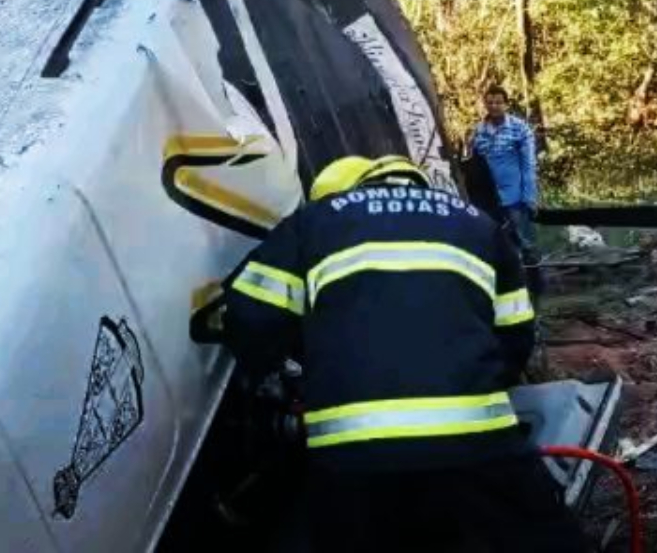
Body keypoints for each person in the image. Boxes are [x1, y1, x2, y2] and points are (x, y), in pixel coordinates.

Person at [221, 155, 589, 553]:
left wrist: (294, 370)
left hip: (353, 458)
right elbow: (516, 336)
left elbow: (249, 314)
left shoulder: (315, 222)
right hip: (475, 446)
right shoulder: (479, 225)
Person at [470, 85, 543, 298]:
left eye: (498, 102)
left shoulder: (520, 129)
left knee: (525, 243)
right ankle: (506, 288)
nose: (494, 106)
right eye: (490, 102)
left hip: (515, 196)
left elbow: (528, 164)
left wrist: (529, 197)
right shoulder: (479, 131)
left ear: (506, 104)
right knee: (497, 243)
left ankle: (534, 290)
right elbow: (476, 165)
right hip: (489, 198)